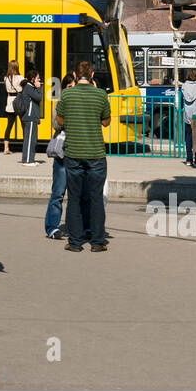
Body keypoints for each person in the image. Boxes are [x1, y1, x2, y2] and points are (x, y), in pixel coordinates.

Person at [55, 60, 111, 253]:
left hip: (73, 153)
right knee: (96, 198)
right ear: (93, 75)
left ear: (75, 74)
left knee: (74, 198)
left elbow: (59, 119)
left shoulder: (68, 94)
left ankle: (75, 242)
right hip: (96, 154)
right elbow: (106, 122)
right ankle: (97, 241)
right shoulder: (101, 94)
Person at [44, 70, 74, 240]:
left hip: (76, 151)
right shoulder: (59, 103)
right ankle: (52, 226)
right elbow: (56, 124)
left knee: (75, 195)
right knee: (58, 192)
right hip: (62, 153)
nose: (71, 90)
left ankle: (72, 227)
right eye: (68, 87)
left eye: (73, 87)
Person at [19, 67, 43, 166]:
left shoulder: (29, 87)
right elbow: (39, 97)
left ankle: (30, 159)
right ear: (33, 79)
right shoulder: (29, 88)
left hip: (32, 117)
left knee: (32, 139)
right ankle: (27, 160)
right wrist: (38, 88)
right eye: (38, 78)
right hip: (30, 117)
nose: (39, 80)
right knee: (29, 140)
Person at [2, 61, 24, 155]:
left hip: (10, 102)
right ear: (17, 67)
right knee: (24, 126)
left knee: (9, 126)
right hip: (19, 102)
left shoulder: (6, 78)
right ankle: (26, 146)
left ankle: (6, 148)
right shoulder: (21, 78)